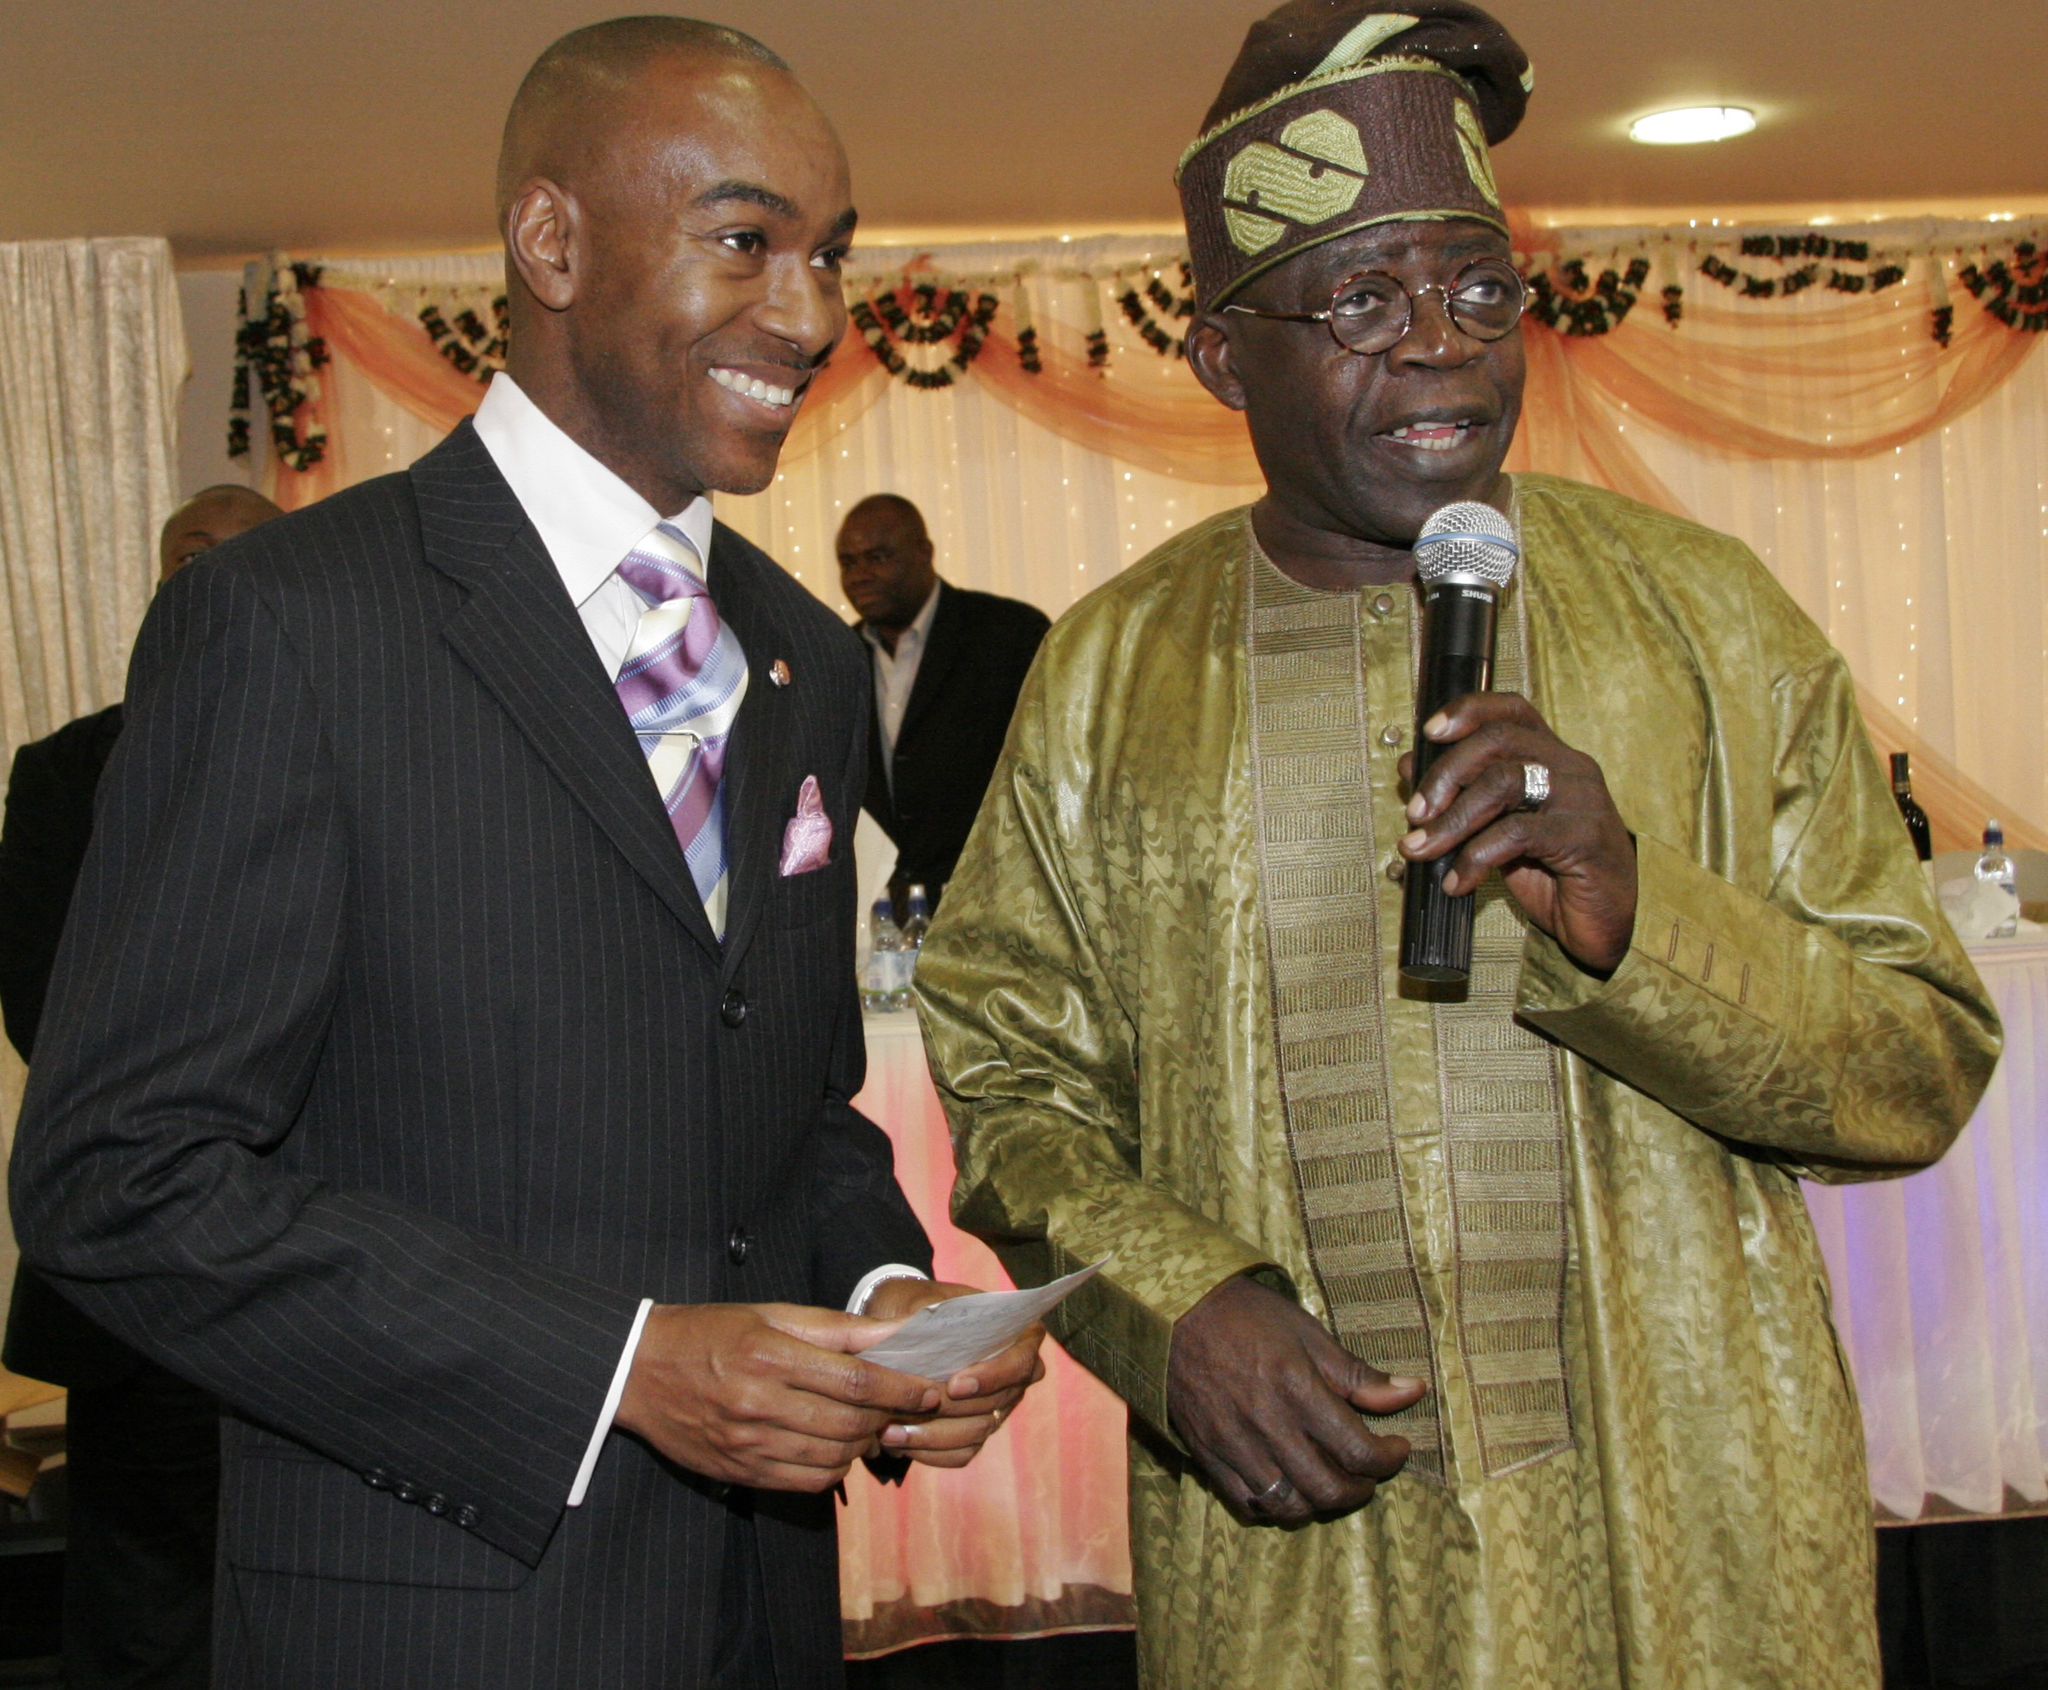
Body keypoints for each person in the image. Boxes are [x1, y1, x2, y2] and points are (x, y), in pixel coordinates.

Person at [913, 5, 2000, 1686]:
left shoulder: (1703, 620)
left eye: (1478, 289)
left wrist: (1643, 921)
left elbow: (1915, 1064)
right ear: (1221, 357)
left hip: (1690, 1539)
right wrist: (1171, 1305)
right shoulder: (1108, 676)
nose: (1440, 346)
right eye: (1359, 301)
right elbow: (1010, 1079)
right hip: (1302, 1560)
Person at [9, 20, 1040, 1690]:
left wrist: (881, 1283)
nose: (812, 314)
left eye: (831, 257)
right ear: (550, 242)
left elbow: (799, 1100)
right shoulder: (289, 625)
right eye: (745, 241)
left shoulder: (806, 659)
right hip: (425, 1617)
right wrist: (615, 1367)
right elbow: (116, 1181)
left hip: (758, 1616)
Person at [0, 482, 280, 1690]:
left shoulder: (363, 742)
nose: (202, 575)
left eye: (235, 554)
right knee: (144, 1626)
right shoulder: (68, 772)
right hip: (138, 1261)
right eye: (184, 556)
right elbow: (43, 1009)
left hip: (323, 1265)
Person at [836, 494, 1048, 903]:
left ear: (924, 552)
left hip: (994, 898)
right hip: (883, 912)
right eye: (848, 563)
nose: (860, 575)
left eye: (877, 557)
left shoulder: (1008, 634)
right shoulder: (836, 656)